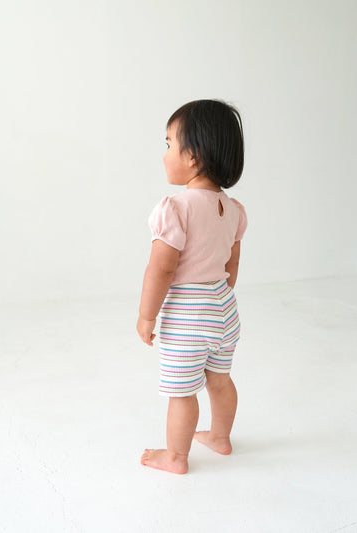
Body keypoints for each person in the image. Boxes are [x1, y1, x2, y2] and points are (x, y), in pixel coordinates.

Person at [136, 99, 247, 474]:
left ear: (194, 156)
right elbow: (231, 265)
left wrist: (147, 316)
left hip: (188, 315)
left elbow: (161, 269)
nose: (164, 154)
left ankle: (176, 457)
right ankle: (220, 437)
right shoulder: (233, 209)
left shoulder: (176, 208)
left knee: (181, 393)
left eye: (169, 144)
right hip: (224, 308)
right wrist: (219, 299)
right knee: (220, 380)